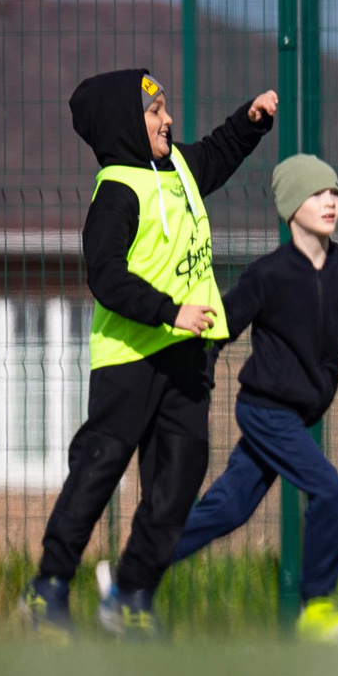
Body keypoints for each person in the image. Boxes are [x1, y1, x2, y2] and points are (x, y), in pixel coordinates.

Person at [20, 67, 276, 641]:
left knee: (180, 477)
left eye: (165, 109)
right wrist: (168, 310)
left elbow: (215, 153)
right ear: (123, 126)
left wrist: (249, 122)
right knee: (99, 468)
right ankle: (48, 588)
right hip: (130, 358)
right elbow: (105, 276)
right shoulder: (118, 190)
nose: (167, 120)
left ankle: (132, 595)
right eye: (154, 112)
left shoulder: (178, 167)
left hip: (187, 357)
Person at [155, 154, 338, 644]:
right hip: (265, 409)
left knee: (227, 509)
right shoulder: (269, 274)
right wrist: (191, 376)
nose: (330, 201)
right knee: (327, 489)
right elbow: (220, 326)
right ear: (290, 207)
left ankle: (134, 570)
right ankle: (317, 606)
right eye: (316, 193)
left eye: (335, 193)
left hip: (295, 415)